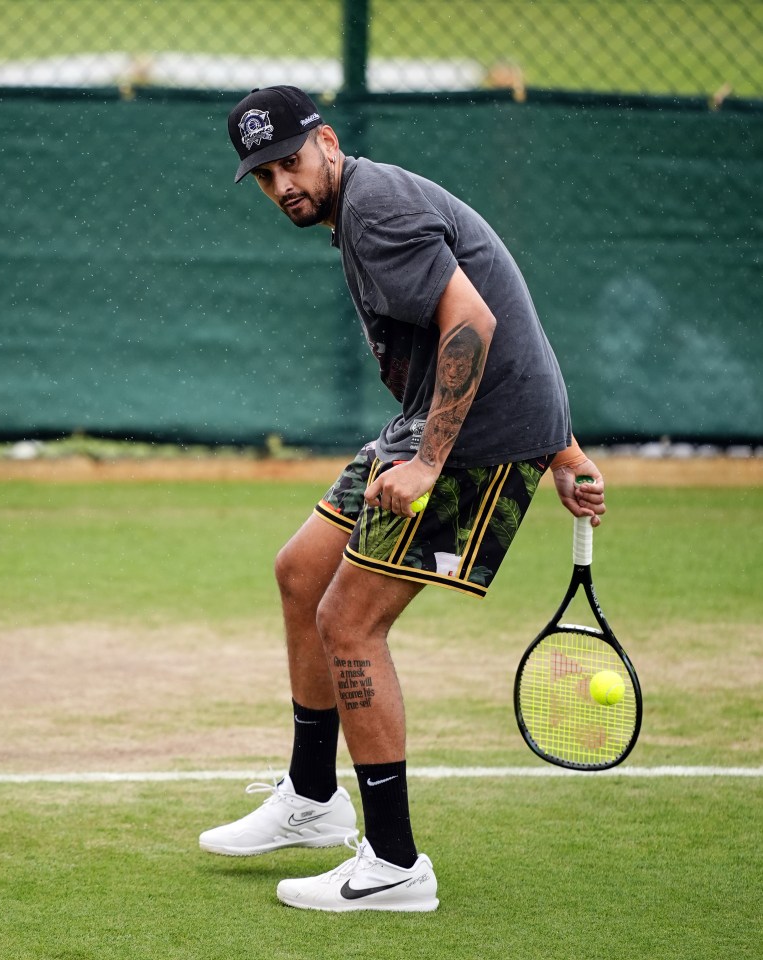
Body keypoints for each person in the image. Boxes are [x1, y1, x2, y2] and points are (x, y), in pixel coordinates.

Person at [199, 85, 606, 913]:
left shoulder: (376, 209)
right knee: (301, 572)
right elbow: (505, 295)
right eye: (264, 175)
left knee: (348, 622)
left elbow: (475, 322)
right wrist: (562, 446)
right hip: (429, 421)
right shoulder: (365, 204)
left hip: (468, 441)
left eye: (290, 163)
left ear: (329, 142)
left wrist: (429, 460)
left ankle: (393, 866)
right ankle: (312, 800)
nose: (283, 186)